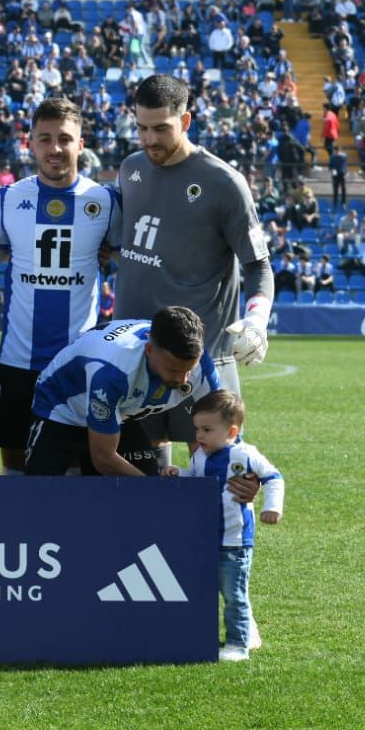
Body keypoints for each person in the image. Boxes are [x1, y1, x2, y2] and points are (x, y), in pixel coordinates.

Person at [112, 74, 273, 466]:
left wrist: (256, 321)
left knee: (216, 477)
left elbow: (258, 265)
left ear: (185, 121)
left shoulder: (224, 183)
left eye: (161, 129)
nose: (149, 139)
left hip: (202, 359)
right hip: (136, 356)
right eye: (142, 128)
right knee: (142, 482)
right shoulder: (130, 169)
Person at [0, 96, 120, 474]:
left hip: (79, 361)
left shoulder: (105, 202)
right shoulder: (9, 199)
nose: (55, 148)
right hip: (18, 358)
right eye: (45, 139)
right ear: (31, 143)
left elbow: (128, 258)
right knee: (14, 458)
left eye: (65, 139)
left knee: (75, 463)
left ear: (80, 144)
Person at [161, 390, 284, 662]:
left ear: (231, 431)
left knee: (234, 595)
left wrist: (272, 507)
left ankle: (238, 645)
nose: (199, 436)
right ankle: (202, 636)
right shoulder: (200, 456)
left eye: (207, 430)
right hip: (204, 540)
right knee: (202, 592)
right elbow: (196, 481)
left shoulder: (246, 454)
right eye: (197, 429)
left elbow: (274, 477)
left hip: (235, 542)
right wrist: (179, 474)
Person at [24, 306, 218, 477]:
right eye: (172, 370)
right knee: (40, 494)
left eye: (188, 370)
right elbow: (103, 458)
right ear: (149, 349)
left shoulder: (202, 365)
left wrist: (233, 473)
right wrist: (156, 491)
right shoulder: (112, 371)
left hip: (120, 412)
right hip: (61, 410)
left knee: (139, 496)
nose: (181, 379)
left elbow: (223, 427)